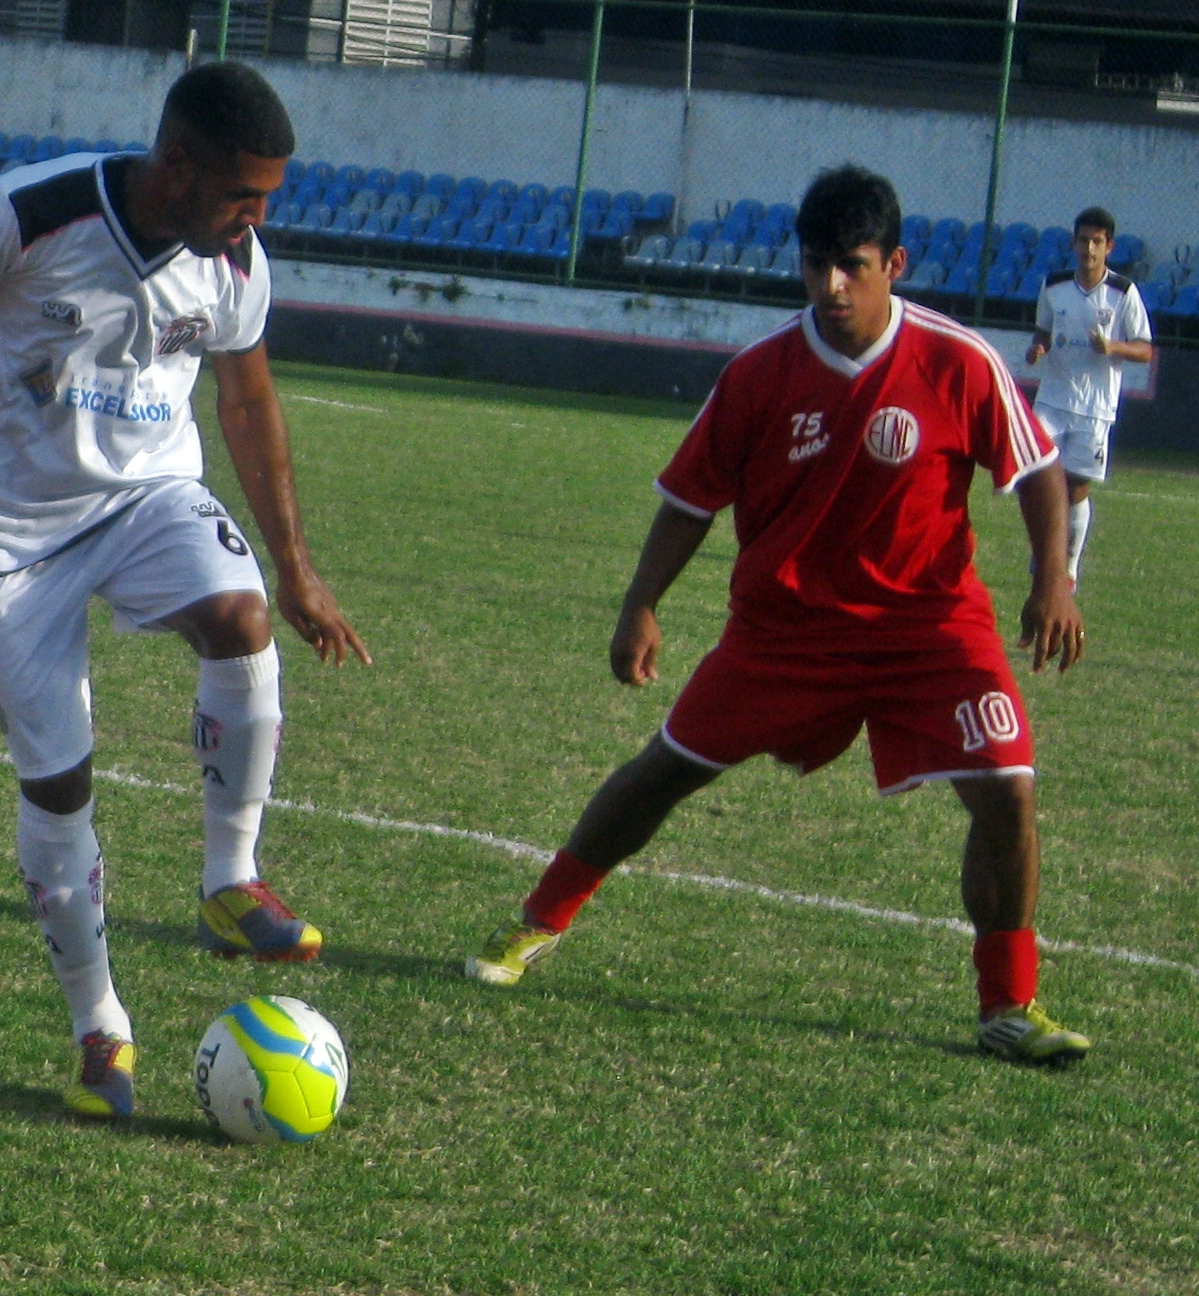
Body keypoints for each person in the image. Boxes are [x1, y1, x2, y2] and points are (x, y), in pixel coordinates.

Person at [464, 165, 1095, 1065]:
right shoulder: (759, 375)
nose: (831, 286)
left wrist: (1054, 581)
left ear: (895, 264)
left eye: (853, 266)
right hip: (785, 632)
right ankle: (536, 920)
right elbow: (690, 498)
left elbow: (1037, 471)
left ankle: (1008, 1003)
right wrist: (642, 603)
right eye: (815, 266)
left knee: (1009, 790)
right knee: (662, 774)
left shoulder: (958, 361)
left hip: (930, 627)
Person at [0, 62, 370, 1120]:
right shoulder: (34, 211)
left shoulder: (234, 260)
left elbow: (249, 399)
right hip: (11, 542)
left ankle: (231, 877)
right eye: (243, 195)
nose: (258, 218)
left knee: (241, 616)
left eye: (269, 198)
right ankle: (101, 1026)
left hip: (147, 497)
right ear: (177, 166)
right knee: (59, 787)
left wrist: (298, 568)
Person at [1024, 206, 1152, 586]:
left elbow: (1145, 349)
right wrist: (1037, 350)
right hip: (1052, 399)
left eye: (1097, 241)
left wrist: (1112, 347)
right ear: (1073, 243)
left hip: (1094, 407)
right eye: (1084, 240)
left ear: (1109, 246)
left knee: (1077, 487)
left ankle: (1069, 568)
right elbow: (1042, 333)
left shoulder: (1123, 293)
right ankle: (1044, 552)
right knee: (1039, 476)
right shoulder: (1054, 286)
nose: (1089, 249)